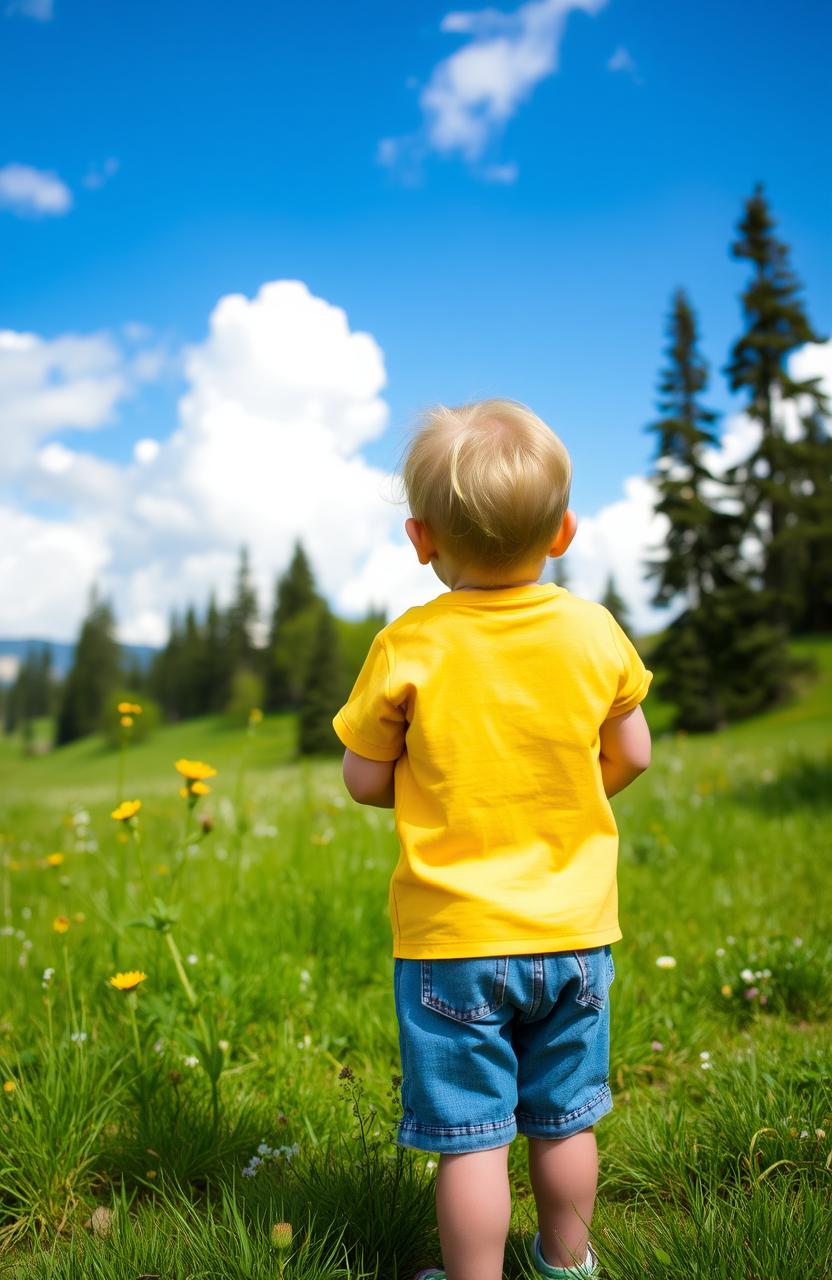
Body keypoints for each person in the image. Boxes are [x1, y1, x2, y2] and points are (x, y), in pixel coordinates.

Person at [332, 399, 653, 1280]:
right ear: (564, 530)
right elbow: (632, 752)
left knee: (471, 1139)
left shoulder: (410, 643)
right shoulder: (595, 632)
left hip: (455, 943)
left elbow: (363, 778)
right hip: (576, 934)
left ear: (420, 537)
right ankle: (566, 1261)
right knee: (565, 1119)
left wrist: (433, 785)